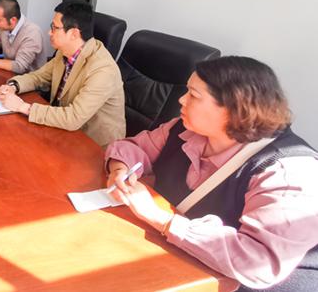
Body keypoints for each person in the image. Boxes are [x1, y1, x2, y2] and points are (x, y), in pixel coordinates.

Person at [104, 56, 318, 291]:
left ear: (235, 108)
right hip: (179, 259)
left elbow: (259, 263)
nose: (181, 99)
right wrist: (120, 169)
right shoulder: (186, 129)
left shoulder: (288, 173)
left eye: (194, 95)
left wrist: (161, 219)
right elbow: (135, 147)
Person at [0, 1, 125, 146]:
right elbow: (39, 76)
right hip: (63, 131)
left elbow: (74, 118)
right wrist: (13, 86)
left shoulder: (103, 69)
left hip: (93, 145)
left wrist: (22, 107)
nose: (49, 32)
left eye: (55, 28)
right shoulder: (64, 51)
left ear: (74, 33)